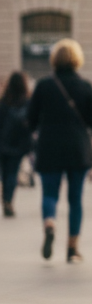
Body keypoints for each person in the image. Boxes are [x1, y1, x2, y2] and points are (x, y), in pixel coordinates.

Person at [26, 40, 92, 263]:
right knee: (75, 199)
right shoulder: (85, 86)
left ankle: (50, 222)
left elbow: (30, 120)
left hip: (49, 147)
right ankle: (72, 248)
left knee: (49, 194)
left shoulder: (43, 86)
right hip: (77, 148)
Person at [0, 71, 32, 218]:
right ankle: (8, 201)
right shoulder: (27, 102)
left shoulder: (3, 101)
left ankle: (4, 197)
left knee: (4, 174)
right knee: (12, 173)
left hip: (2, 143)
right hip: (18, 145)